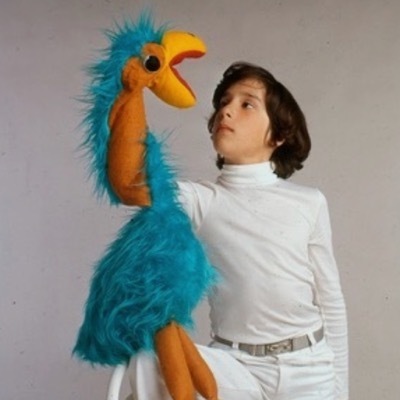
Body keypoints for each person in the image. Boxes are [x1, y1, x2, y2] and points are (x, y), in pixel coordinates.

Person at [128, 62, 348, 400]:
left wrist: (341, 390)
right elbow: (131, 182)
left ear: (278, 135)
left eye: (247, 104)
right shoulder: (199, 199)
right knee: (150, 360)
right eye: (223, 102)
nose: (226, 111)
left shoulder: (309, 202)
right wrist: (129, 90)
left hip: (309, 368)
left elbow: (330, 299)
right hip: (236, 367)